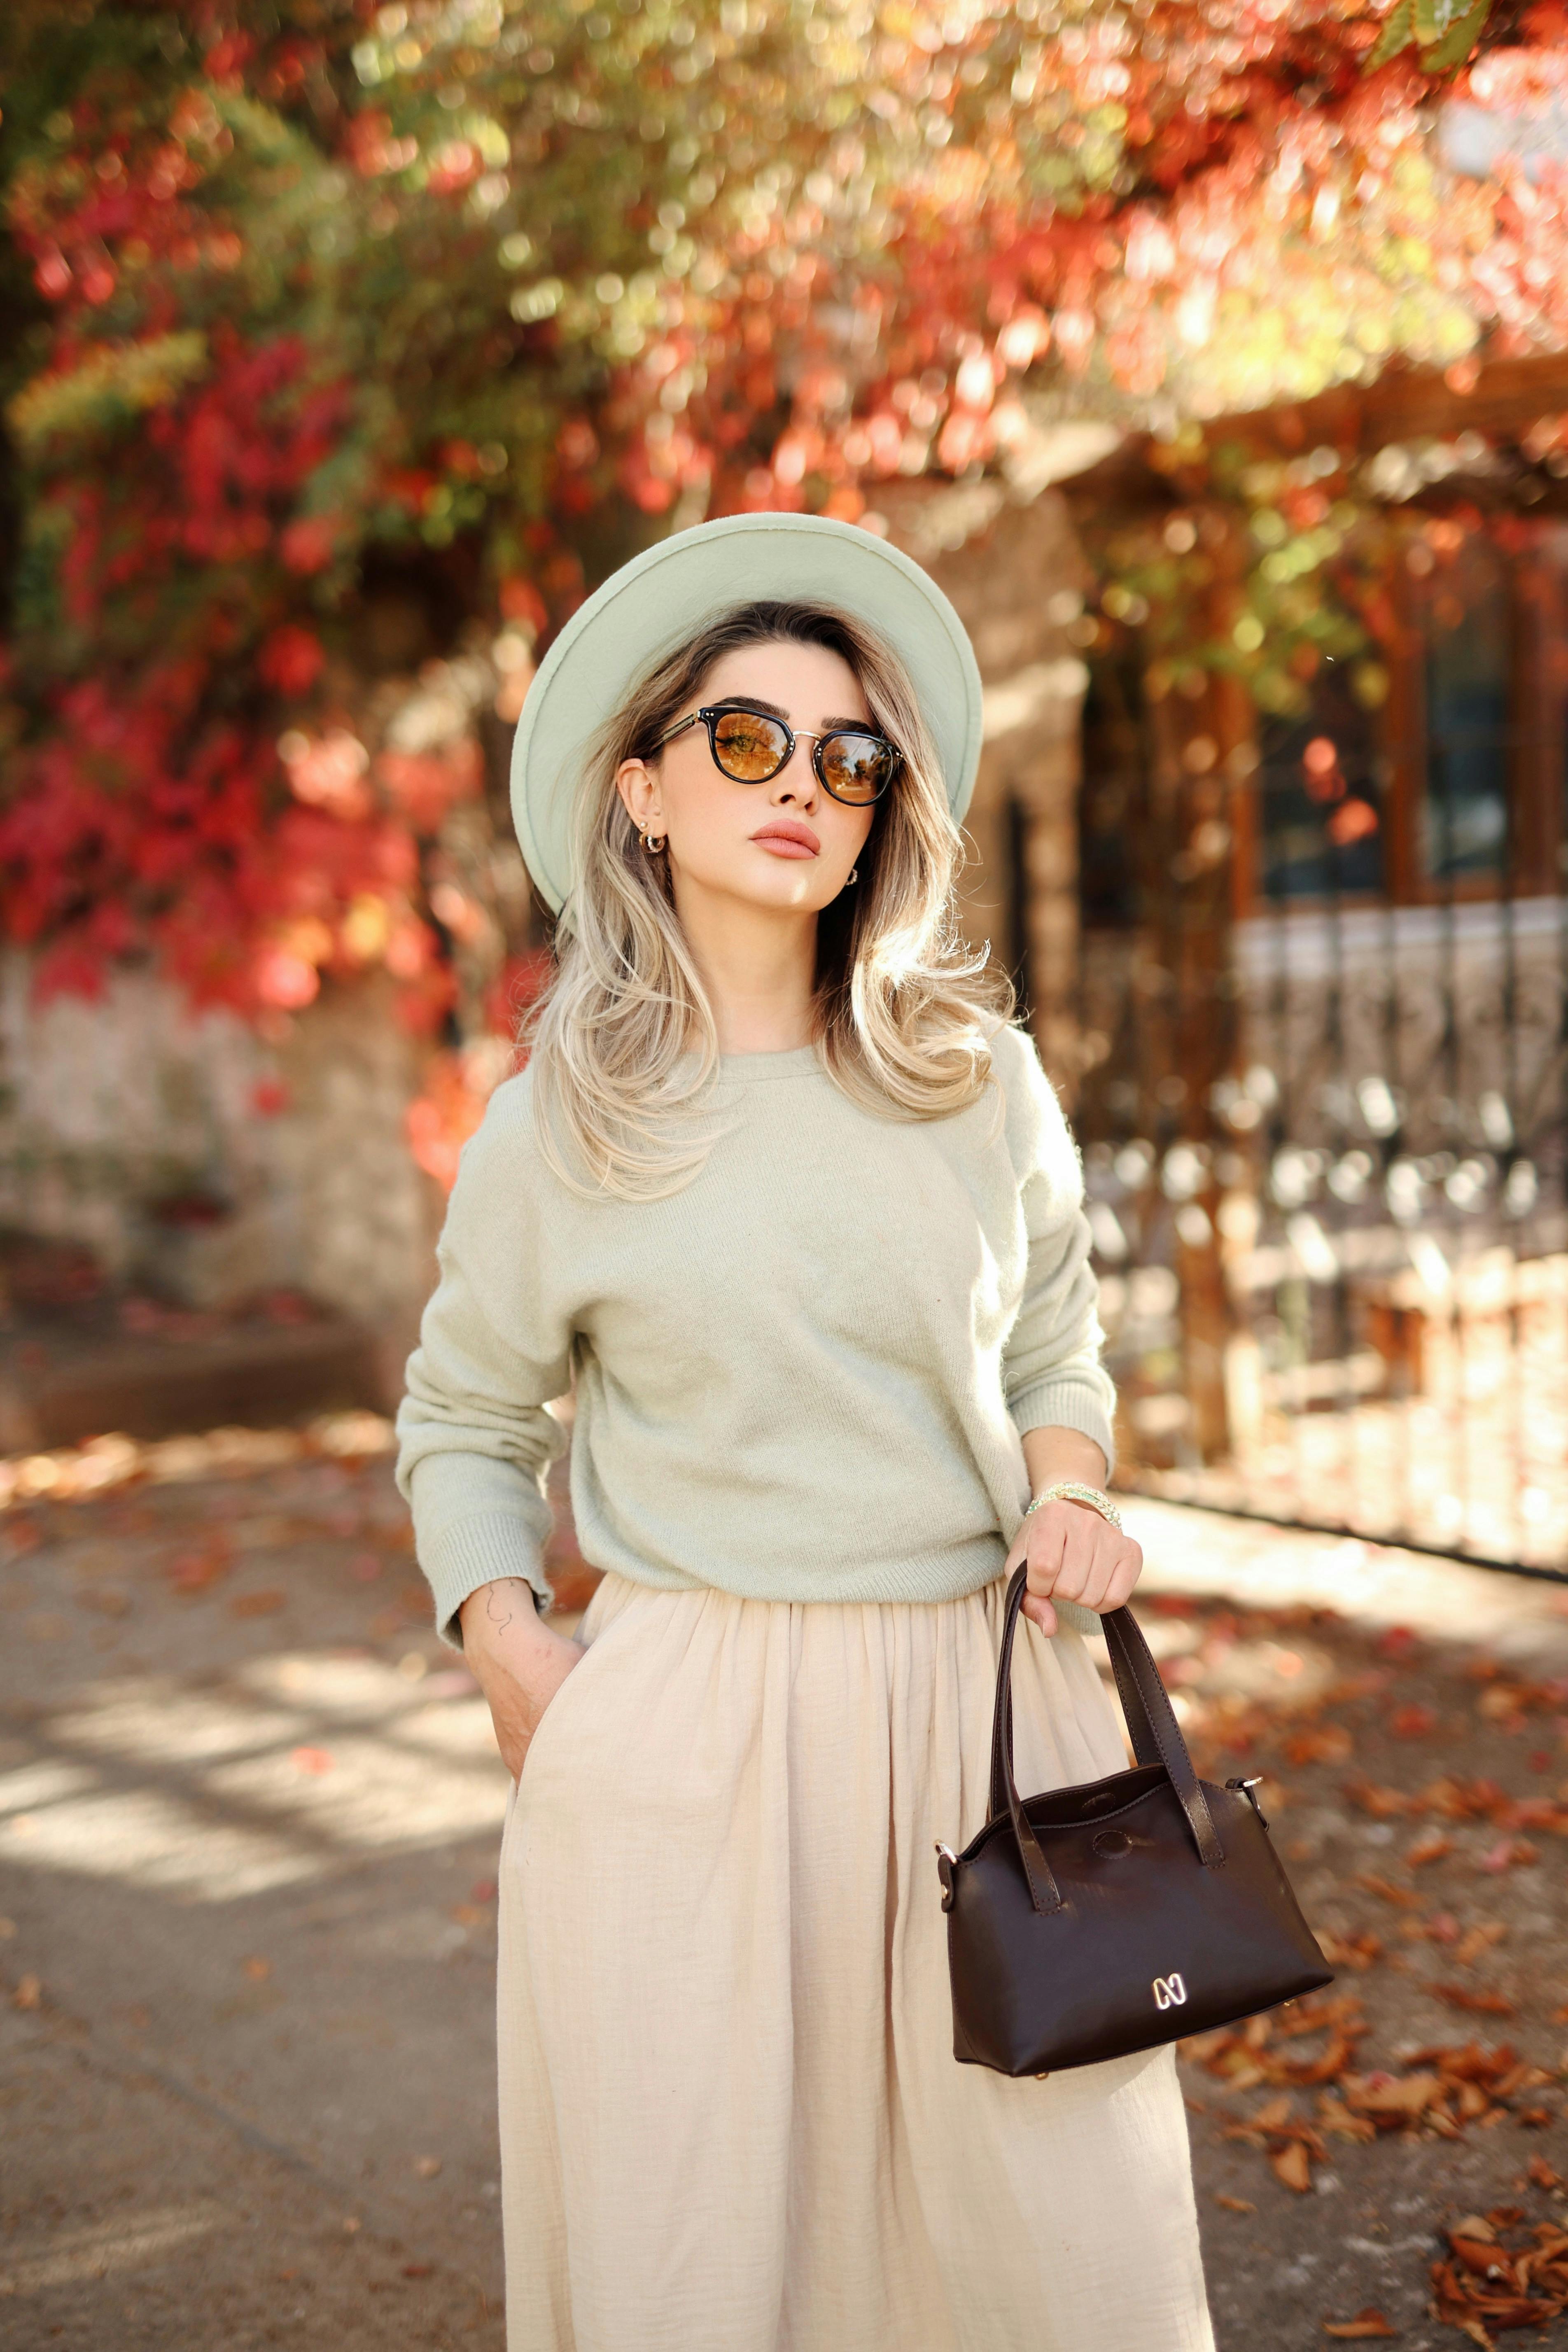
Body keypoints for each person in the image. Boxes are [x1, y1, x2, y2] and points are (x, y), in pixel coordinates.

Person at [396, 513, 1215, 2352]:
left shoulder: (975, 1079)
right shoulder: (558, 1129)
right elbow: (460, 1416)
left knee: (1050, 2260)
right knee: (707, 2263)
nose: (803, 789)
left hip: (984, 1719)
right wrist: (510, 1640)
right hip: (688, 1735)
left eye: (850, 759)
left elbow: (1054, 1352)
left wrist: (1072, 1493)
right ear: (643, 793)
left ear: (882, 809)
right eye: (744, 741)